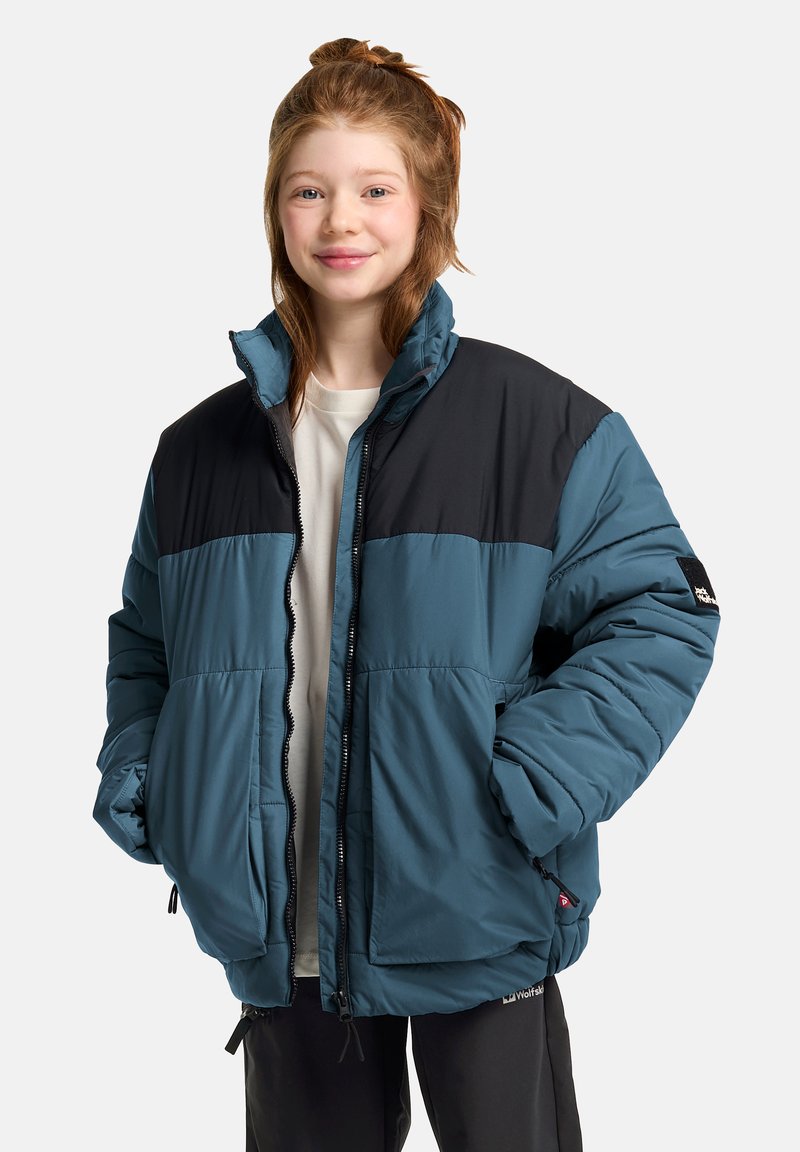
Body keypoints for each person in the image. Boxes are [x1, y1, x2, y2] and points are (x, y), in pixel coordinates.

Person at [93, 37, 720, 1151]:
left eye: (375, 189)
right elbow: (147, 641)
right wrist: (153, 781)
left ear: (427, 207)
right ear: (276, 209)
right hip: (277, 928)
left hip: (473, 898)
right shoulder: (196, 451)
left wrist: (529, 781)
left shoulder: (539, 425)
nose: (341, 219)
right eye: (309, 190)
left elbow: (661, 613)